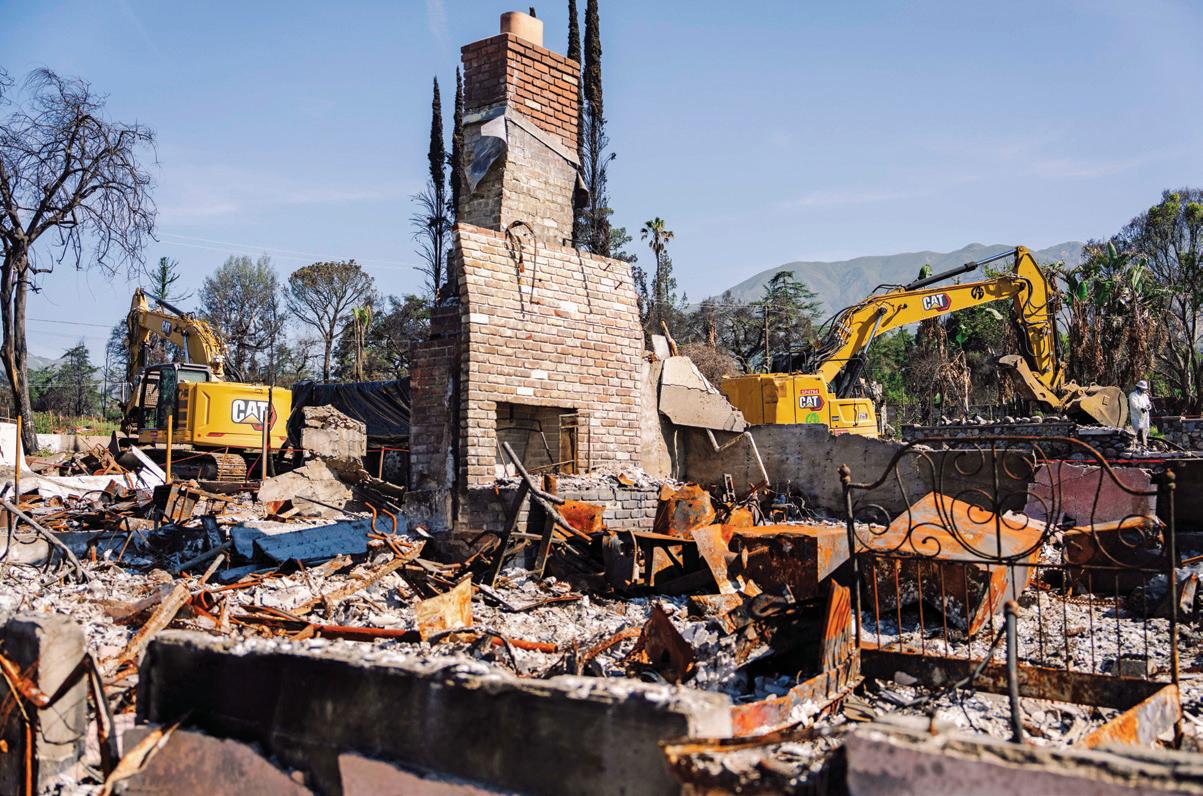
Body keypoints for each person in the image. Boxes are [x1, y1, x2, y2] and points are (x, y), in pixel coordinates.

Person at [1129, 379, 1153, 448]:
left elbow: (1148, 404)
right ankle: (1138, 446)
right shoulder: (1133, 395)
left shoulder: (1145, 396)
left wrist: (1148, 407)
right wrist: (1141, 409)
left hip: (1145, 416)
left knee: (1146, 430)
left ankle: (1145, 445)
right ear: (1139, 387)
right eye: (1143, 388)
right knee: (1138, 431)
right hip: (1137, 417)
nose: (1144, 389)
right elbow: (1135, 405)